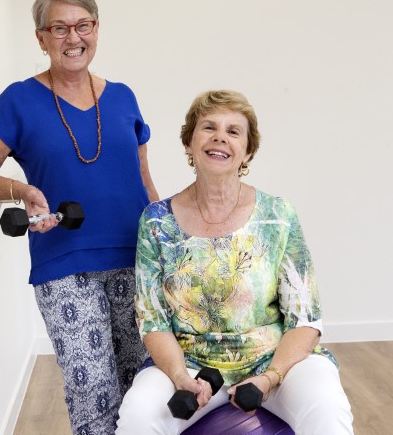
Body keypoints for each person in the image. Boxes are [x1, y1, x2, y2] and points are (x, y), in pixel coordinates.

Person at [0, 0, 159, 434]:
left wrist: (168, 245)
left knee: (145, 387)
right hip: (65, 266)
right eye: (60, 28)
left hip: (137, 259)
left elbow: (144, 181)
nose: (73, 38)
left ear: (96, 29)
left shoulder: (123, 96)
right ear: (41, 38)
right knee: (93, 395)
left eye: (82, 25)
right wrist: (20, 190)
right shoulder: (18, 100)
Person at [115, 90, 354, 434]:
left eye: (233, 131)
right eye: (208, 127)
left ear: (248, 151)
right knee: (137, 416)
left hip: (274, 361)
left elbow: (305, 319)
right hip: (190, 364)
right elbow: (153, 322)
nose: (220, 138)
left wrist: (269, 378)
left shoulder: (277, 215)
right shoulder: (156, 221)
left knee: (327, 407)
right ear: (188, 143)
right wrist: (180, 376)